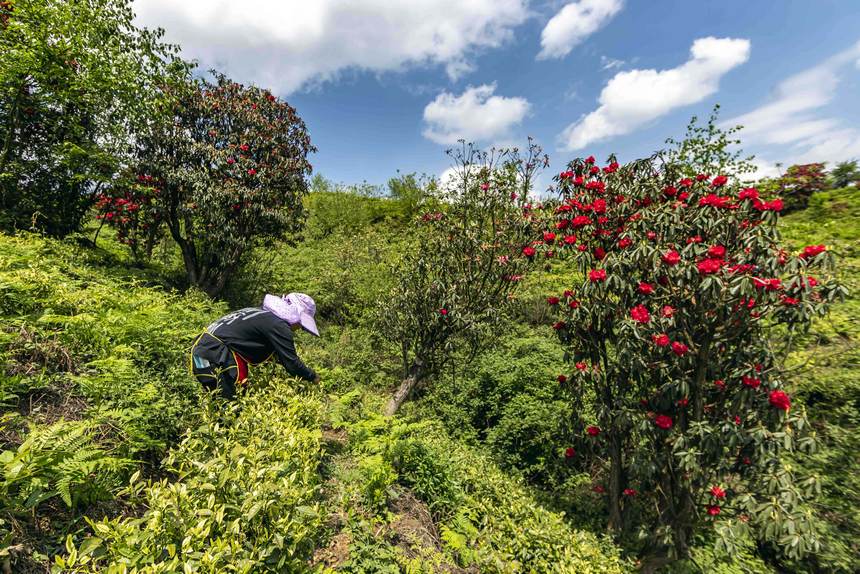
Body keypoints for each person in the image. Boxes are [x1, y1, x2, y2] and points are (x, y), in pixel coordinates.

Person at [190, 292, 320, 398]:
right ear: (296, 314)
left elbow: (276, 356)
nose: (299, 328)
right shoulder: (279, 325)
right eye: (302, 325)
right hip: (216, 353)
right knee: (231, 405)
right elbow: (291, 364)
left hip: (199, 350)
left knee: (217, 400)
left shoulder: (259, 314)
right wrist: (313, 377)